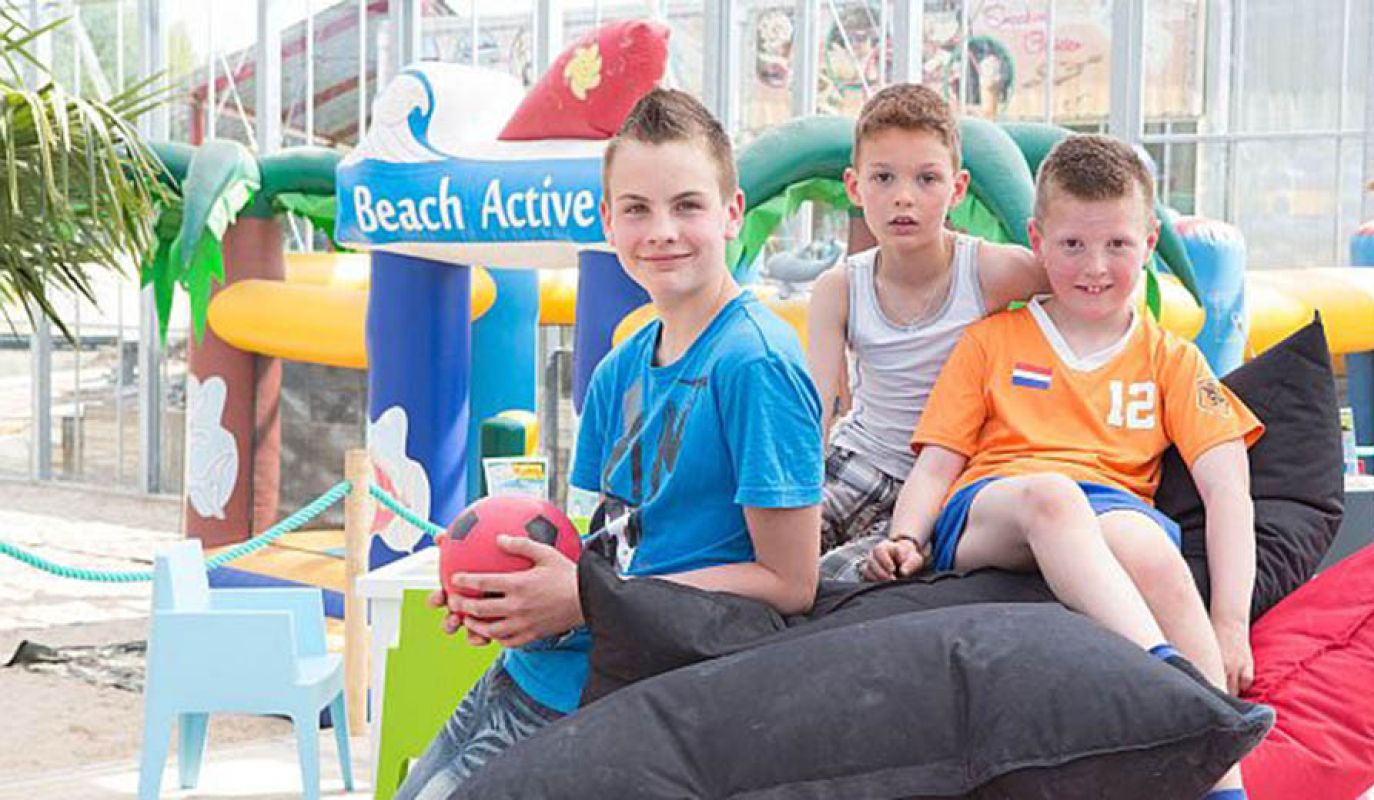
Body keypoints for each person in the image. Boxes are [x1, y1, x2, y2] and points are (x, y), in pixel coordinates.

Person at [396, 88, 825, 800]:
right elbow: (595, 546)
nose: (662, 230)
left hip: (630, 696)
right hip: (542, 667)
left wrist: (589, 600)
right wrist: (504, 591)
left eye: (687, 205)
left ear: (732, 213)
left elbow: (789, 582)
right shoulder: (619, 368)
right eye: (636, 209)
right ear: (606, 222)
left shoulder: (757, 362)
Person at [865, 134, 1264, 800]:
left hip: (1112, 517)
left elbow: (1229, 493)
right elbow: (938, 463)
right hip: (995, 511)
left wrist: (1230, 624)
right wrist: (905, 536)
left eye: (1117, 245)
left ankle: (1226, 780)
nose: (1094, 267)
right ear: (1037, 239)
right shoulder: (992, 339)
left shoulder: (1171, 360)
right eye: (1072, 245)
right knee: (1050, 496)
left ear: (1147, 242)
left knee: (1153, 550)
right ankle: (1167, 678)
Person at [806, 83, 1048, 580]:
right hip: (860, 461)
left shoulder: (990, 271)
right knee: (779, 553)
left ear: (957, 189)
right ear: (855, 187)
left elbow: (1074, 288)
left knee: (861, 574)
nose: (903, 198)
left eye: (926, 179)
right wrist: (796, 504)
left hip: (950, 473)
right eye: (883, 177)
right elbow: (815, 410)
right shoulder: (840, 288)